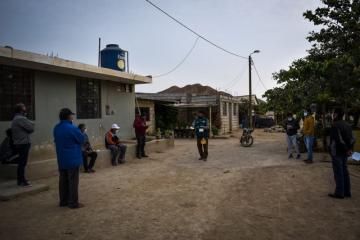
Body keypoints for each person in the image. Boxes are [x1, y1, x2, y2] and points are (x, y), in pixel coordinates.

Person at [54, 108, 85, 209]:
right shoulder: (72, 128)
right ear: (69, 116)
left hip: (61, 158)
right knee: (73, 181)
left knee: (63, 180)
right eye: (72, 115)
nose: (73, 116)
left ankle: (63, 201)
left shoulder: (56, 128)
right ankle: (73, 203)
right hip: (72, 158)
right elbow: (81, 139)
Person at [328, 107, 355, 199]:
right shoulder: (348, 125)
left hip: (337, 152)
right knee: (345, 170)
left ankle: (339, 192)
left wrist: (346, 149)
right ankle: (347, 191)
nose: (332, 114)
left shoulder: (335, 125)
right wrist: (350, 149)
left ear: (336, 114)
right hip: (345, 152)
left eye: (333, 113)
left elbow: (338, 140)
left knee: (338, 172)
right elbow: (352, 139)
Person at [11, 103, 34, 187]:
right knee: (22, 163)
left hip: (19, 142)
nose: (25, 109)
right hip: (23, 143)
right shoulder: (20, 118)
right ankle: (21, 181)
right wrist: (29, 121)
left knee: (21, 162)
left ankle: (21, 179)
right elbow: (31, 128)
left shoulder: (16, 118)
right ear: (21, 110)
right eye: (24, 108)